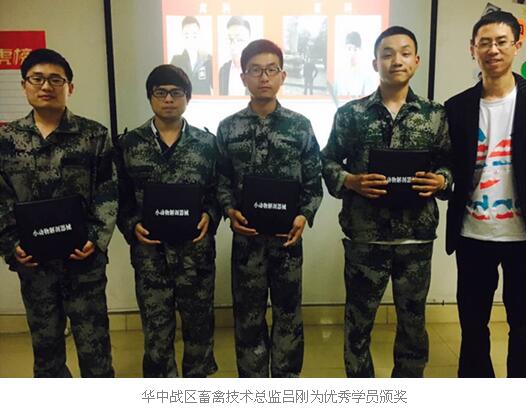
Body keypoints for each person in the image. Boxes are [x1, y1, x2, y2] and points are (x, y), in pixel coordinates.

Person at [321, 26, 452, 377]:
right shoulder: (351, 114)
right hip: (366, 238)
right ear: (375, 62)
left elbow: (449, 164)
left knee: (413, 325)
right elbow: (328, 161)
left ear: (417, 61)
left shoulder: (435, 114)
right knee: (358, 323)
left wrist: (441, 180)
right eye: (388, 53)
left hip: (415, 239)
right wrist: (350, 180)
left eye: (405, 53)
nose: (397, 60)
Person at [0, 48, 117, 377]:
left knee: (95, 350)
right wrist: (11, 245)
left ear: (70, 87)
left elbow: (108, 191)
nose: (46, 86)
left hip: (84, 262)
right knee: (46, 352)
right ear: (24, 85)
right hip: (35, 266)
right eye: (37, 79)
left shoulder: (94, 136)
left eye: (55, 79)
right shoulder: (6, 140)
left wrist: (96, 238)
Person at [445, 11, 526, 378]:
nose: (493, 50)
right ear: (472, 49)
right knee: (473, 328)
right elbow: (447, 167)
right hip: (473, 234)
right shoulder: (456, 107)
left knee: (523, 329)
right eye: (484, 43)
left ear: (517, 46)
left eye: (501, 42)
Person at [216, 39, 323, 377]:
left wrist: (304, 215)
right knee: (248, 316)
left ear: (282, 75)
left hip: (287, 241)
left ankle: (286, 383)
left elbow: (313, 180)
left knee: (288, 314)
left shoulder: (300, 126)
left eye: (271, 69)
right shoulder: (228, 127)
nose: (264, 77)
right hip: (247, 242)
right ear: (243, 77)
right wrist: (229, 210)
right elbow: (220, 179)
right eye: (255, 70)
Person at [115, 64, 219, 377]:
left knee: (199, 329)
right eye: (160, 93)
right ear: (150, 97)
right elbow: (118, 197)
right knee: (156, 333)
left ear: (188, 97)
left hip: (195, 256)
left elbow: (219, 191)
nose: (169, 99)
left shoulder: (207, 144)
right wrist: (132, 224)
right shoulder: (128, 144)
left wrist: (211, 215)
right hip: (151, 257)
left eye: (176, 92)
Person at [170, 16, 213, 95]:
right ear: (182, 36)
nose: (191, 39)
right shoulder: (176, 61)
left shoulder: (208, 59)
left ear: (199, 36)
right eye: (187, 36)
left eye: (194, 35)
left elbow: (215, 87)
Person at [219, 16, 251, 96]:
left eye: (239, 40)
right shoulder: (223, 70)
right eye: (230, 39)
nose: (234, 45)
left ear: (249, 42)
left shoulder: (258, 70)